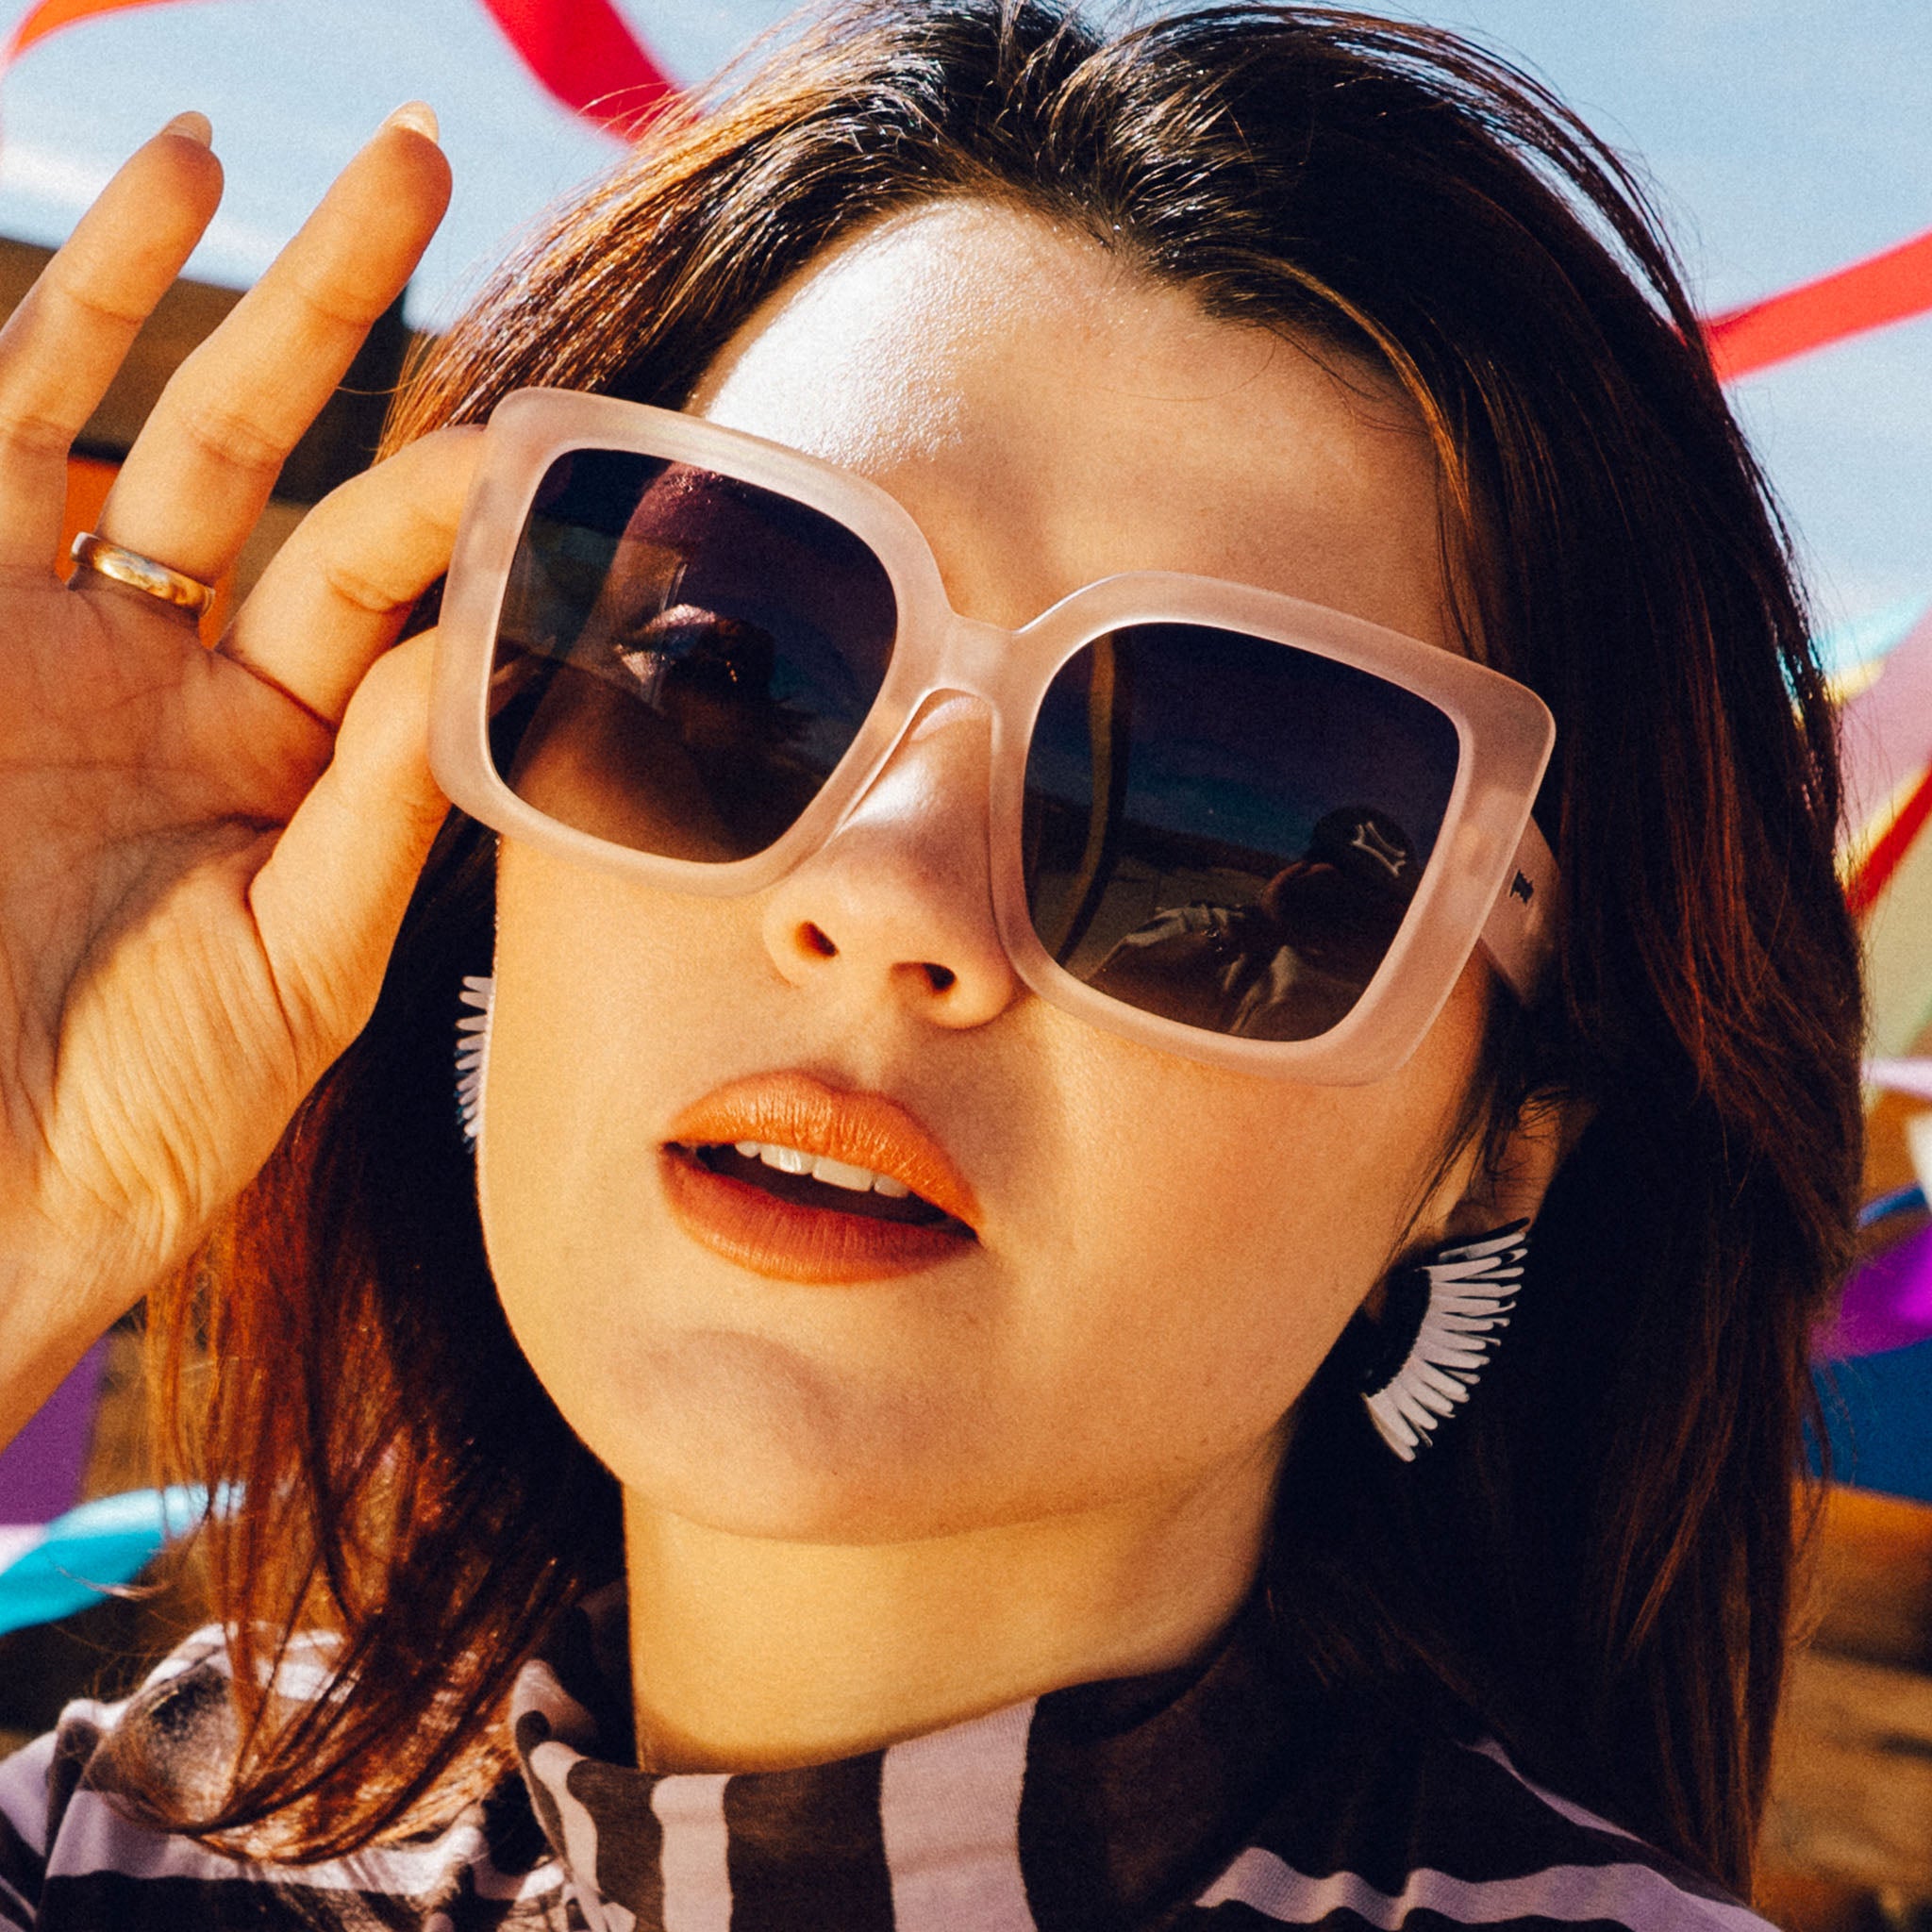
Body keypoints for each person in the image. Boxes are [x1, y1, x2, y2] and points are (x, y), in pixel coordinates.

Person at [0, 2, 1862, 1924]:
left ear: (1498, 1137)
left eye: (1224, 824)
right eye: (729, 670)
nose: (886, 891)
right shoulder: (134, 1848)